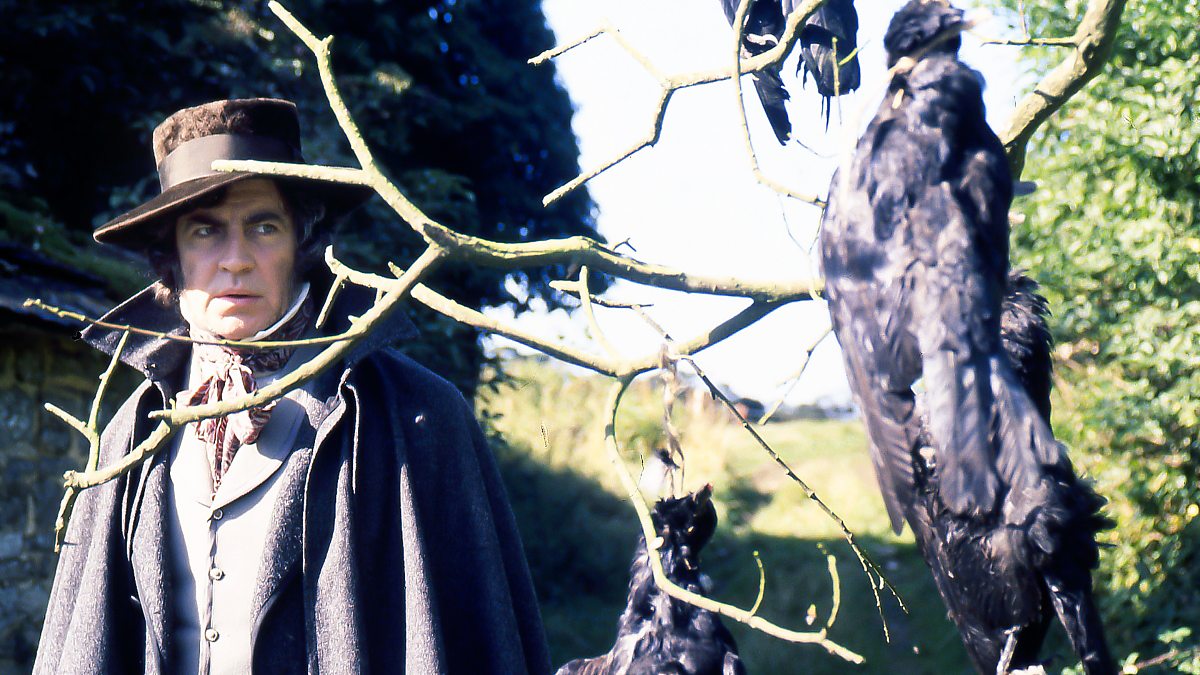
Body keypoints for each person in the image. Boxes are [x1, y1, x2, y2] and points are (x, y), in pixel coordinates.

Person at [34, 98, 550, 674]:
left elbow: (475, 639)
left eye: (264, 227)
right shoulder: (129, 434)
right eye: (204, 231)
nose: (236, 261)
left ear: (302, 245)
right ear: (171, 257)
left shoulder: (419, 418)